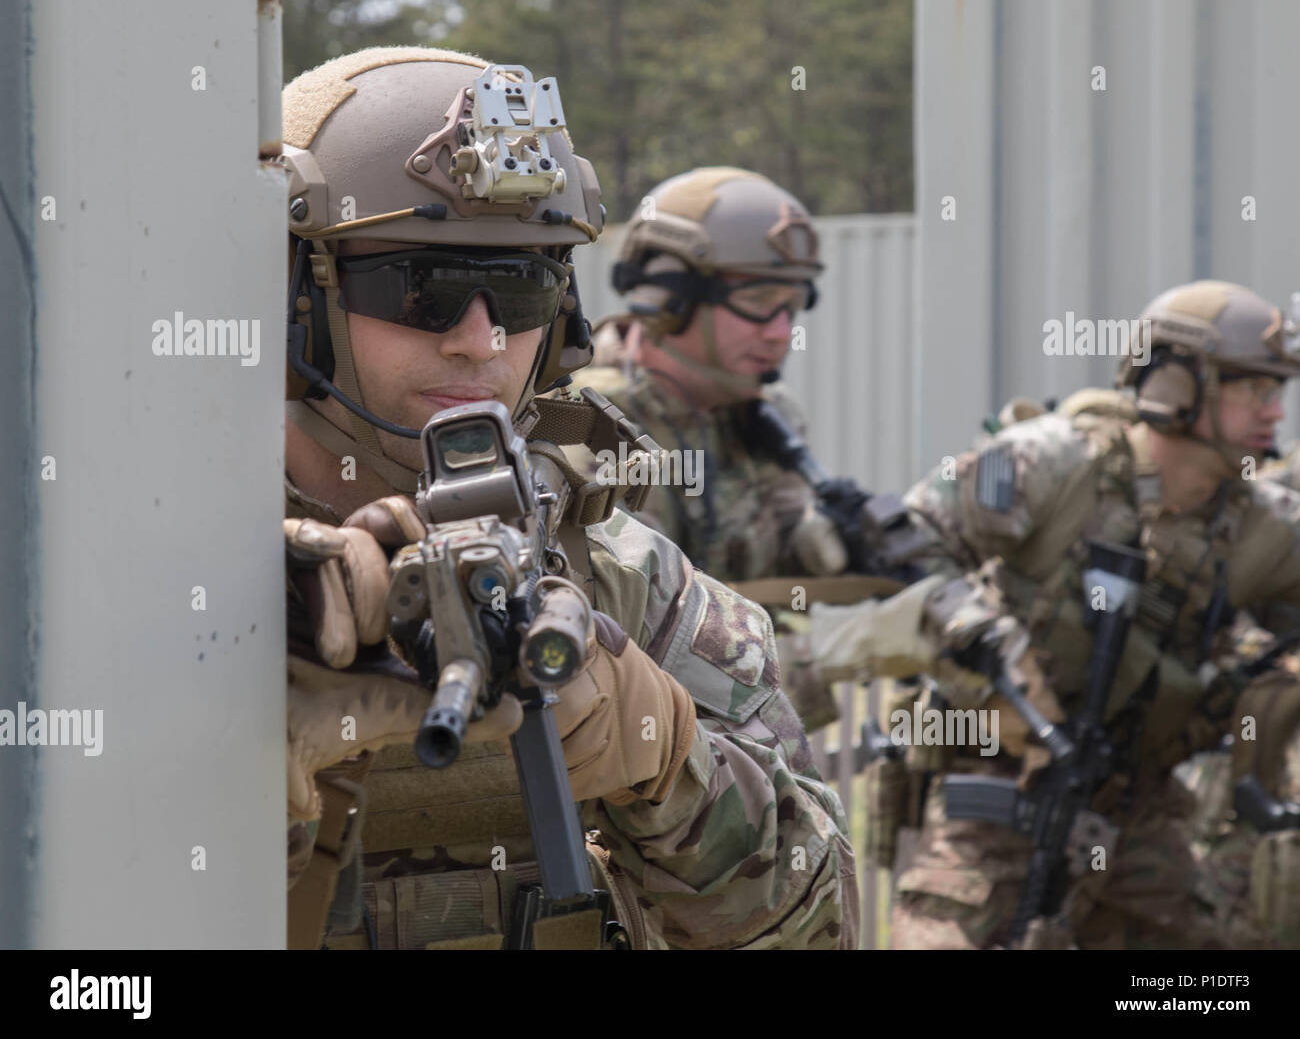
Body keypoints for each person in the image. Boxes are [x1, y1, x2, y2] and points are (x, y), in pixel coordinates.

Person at [276, 47, 857, 950]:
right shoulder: (156, 578)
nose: (480, 340)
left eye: (520, 285)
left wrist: (664, 758)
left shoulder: (622, 577)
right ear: (291, 297)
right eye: (419, 288)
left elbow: (821, 926)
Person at [812, 279, 1300, 948]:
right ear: (1178, 385)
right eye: (1255, 389)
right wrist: (976, 637)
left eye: (1279, 391)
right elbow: (901, 545)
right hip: (994, 791)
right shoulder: (1049, 461)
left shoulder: (1260, 527)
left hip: (1138, 814)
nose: (1276, 412)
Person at [567, 168, 900, 729]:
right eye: (759, 301)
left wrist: (844, 550)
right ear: (669, 297)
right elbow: (634, 654)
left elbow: (763, 572)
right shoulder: (591, 428)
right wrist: (848, 647)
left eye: (792, 304)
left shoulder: (761, 415)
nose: (780, 331)